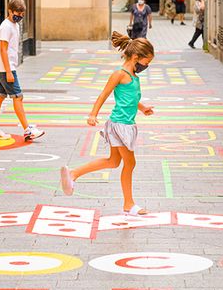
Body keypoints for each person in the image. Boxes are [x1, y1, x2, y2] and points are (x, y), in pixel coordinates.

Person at [60, 31, 155, 216]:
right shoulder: (120, 74)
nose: (147, 66)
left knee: (113, 162)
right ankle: (129, 204)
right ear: (136, 57)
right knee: (130, 163)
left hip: (125, 124)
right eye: (147, 62)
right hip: (120, 125)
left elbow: (130, 99)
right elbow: (103, 94)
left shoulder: (134, 76)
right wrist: (92, 114)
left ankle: (73, 174)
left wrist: (142, 108)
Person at [0, 0, 44, 142]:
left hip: (4, 66)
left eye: (21, 14)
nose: (19, 17)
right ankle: (27, 130)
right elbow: (3, 50)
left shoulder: (15, 25)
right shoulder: (6, 26)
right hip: (5, 67)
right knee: (18, 97)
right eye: (16, 13)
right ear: (9, 11)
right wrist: (8, 71)